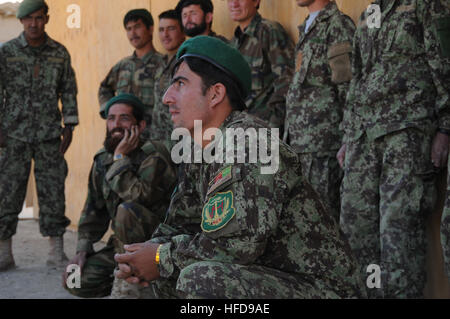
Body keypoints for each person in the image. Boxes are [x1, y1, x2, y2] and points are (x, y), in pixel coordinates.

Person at [114, 36, 366, 299]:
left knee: (200, 279)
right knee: (167, 271)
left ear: (215, 94)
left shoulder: (249, 143)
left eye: (180, 83)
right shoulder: (198, 148)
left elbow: (237, 245)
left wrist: (158, 257)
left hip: (320, 289)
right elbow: (181, 224)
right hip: (268, 278)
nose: (167, 98)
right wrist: (142, 255)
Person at [338, 0, 450, 298]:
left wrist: (445, 128)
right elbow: (357, 77)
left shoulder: (425, 6)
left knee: (398, 235)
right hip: (363, 136)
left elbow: (443, 63)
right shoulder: (368, 14)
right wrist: (348, 135)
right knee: (355, 230)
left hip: (407, 131)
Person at [63, 93, 177, 298]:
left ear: (140, 126)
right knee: (75, 281)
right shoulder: (102, 159)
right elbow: (93, 210)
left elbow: (139, 197)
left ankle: (129, 284)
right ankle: (142, 282)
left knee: (126, 210)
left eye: (124, 118)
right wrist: (81, 251)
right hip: (122, 246)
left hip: (157, 246)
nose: (116, 124)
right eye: (111, 118)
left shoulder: (154, 154)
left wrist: (119, 159)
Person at [0, 0, 78, 270]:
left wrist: (70, 125)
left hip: (48, 135)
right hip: (13, 135)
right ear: (21, 21)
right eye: (29, 18)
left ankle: (56, 253)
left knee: (53, 191)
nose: (34, 24)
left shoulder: (59, 53)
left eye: (39, 17)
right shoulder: (6, 52)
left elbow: (68, 90)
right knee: (7, 193)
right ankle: (4, 253)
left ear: (47, 18)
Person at [285, 0, 355, 221]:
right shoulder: (307, 27)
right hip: (301, 147)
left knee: (324, 223)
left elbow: (349, 88)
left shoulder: (337, 25)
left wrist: (348, 139)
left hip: (325, 148)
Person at [227, 0, 294, 131]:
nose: (234, 4)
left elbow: (286, 82)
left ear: (256, 1)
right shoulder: (232, 43)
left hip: (265, 129)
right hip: (240, 130)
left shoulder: (269, 31)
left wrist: (274, 127)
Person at [98, 9, 163, 139]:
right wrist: (110, 112)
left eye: (137, 27)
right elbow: (104, 88)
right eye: (128, 29)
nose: (133, 33)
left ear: (150, 29)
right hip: (122, 137)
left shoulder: (163, 65)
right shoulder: (122, 65)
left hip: (151, 139)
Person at [151, 10, 186, 145]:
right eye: (161, 30)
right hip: (159, 140)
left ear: (183, 32)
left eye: (171, 29)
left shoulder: (187, 62)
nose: (165, 35)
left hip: (180, 141)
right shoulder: (160, 63)